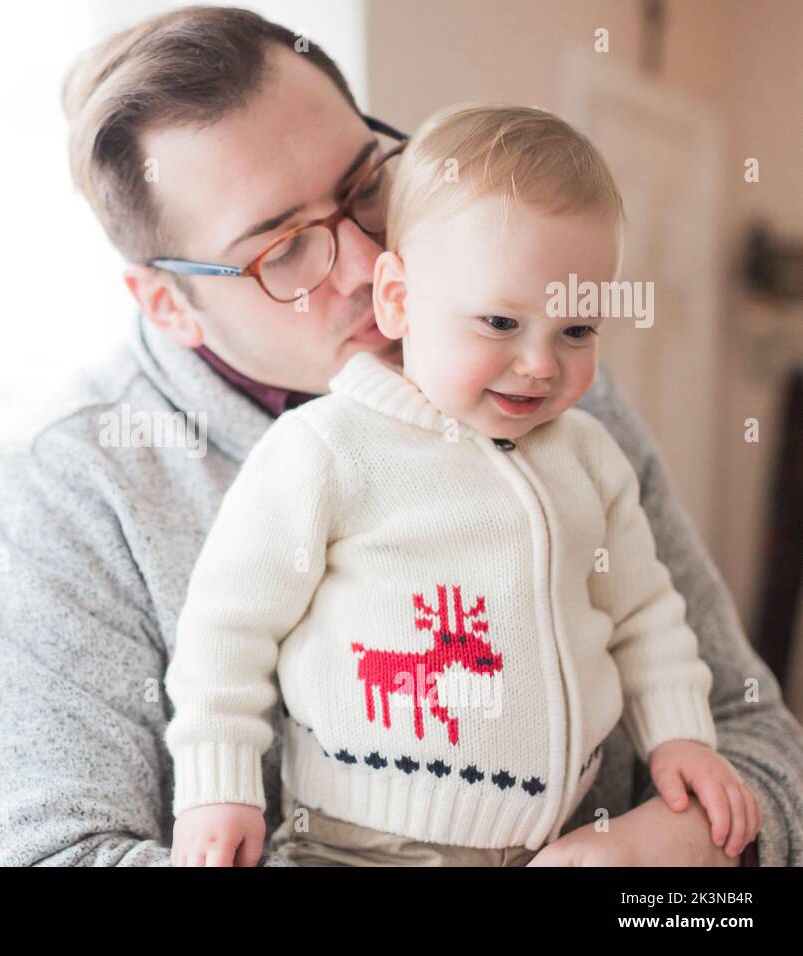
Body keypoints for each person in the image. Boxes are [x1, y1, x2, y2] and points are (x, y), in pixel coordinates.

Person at [0, 5, 802, 866]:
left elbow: (756, 729)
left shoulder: (546, 389)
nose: (365, 260)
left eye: (365, 185)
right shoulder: (52, 499)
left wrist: (691, 851)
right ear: (167, 303)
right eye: (284, 251)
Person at [164, 103, 758, 867]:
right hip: (361, 846)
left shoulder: (588, 455)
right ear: (399, 300)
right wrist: (219, 785)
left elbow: (644, 612)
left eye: (577, 330)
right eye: (500, 324)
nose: (541, 363)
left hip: (560, 842)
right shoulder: (326, 450)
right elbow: (226, 626)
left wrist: (681, 735)